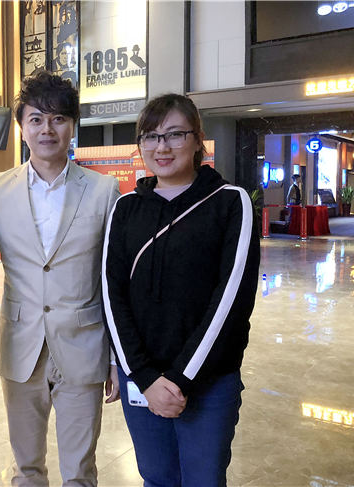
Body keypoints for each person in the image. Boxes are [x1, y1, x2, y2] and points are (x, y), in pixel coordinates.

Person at [102, 93, 260, 486]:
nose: (162, 147)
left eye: (175, 134)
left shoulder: (230, 203)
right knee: (156, 478)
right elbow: (111, 293)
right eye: (151, 136)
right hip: (143, 379)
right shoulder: (126, 208)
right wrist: (143, 375)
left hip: (209, 380)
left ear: (197, 139)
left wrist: (180, 379)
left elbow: (231, 301)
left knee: (203, 480)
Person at [0, 71, 120, 486]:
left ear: (72, 126)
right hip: (20, 346)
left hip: (83, 346)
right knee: (26, 468)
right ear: (22, 127)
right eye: (36, 119)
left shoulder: (103, 190)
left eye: (58, 118)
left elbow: (115, 281)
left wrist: (117, 359)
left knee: (80, 472)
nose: (47, 129)